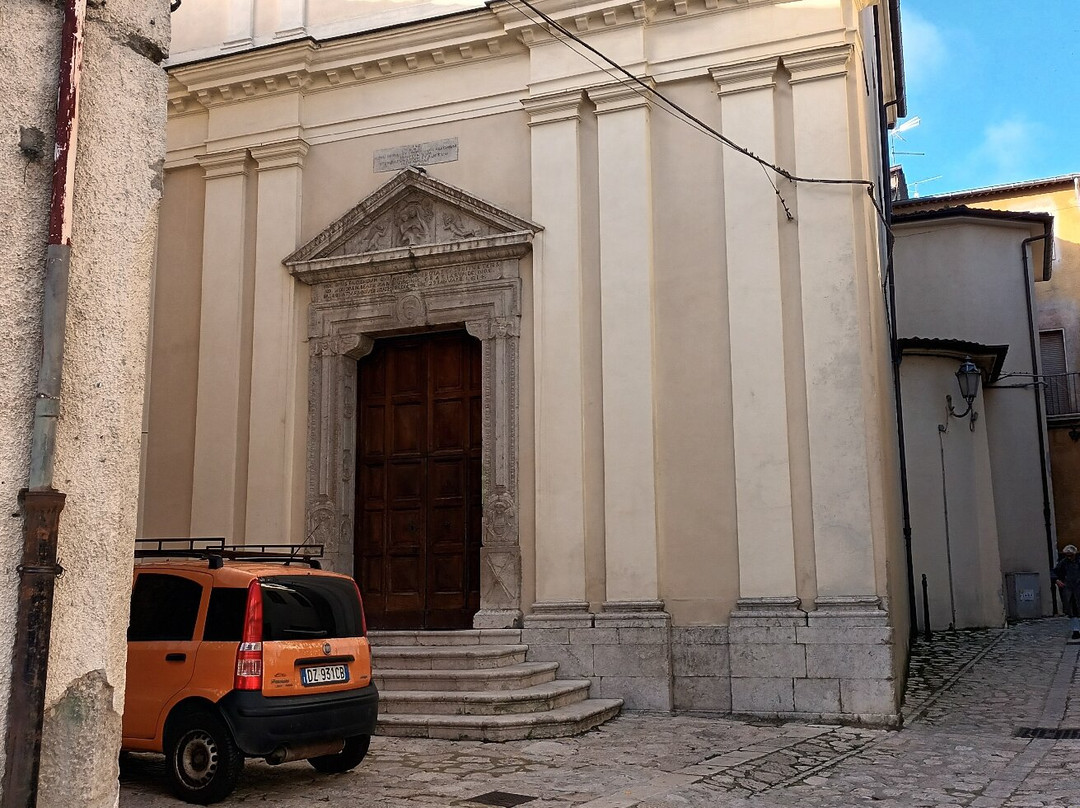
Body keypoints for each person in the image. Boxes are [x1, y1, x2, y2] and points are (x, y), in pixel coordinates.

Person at [1053, 544, 1080, 642]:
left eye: (1070, 555)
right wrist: (1057, 580)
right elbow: (1054, 572)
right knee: (1072, 610)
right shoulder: (1063, 563)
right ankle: (1076, 630)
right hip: (1069, 589)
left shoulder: (1079, 562)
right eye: (1067, 555)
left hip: (1078, 587)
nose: (1069, 557)